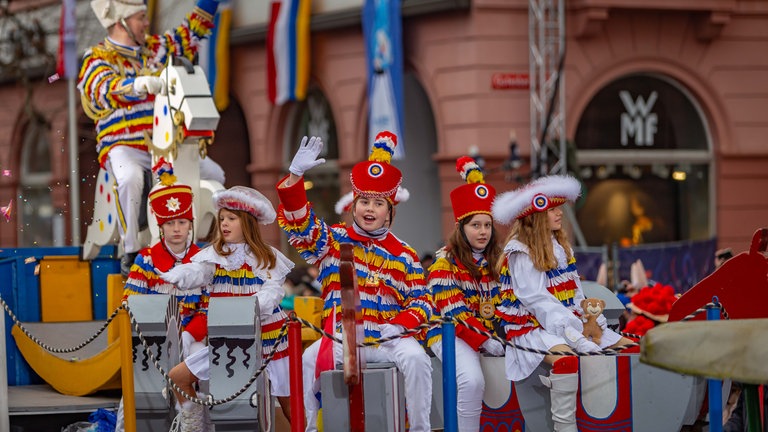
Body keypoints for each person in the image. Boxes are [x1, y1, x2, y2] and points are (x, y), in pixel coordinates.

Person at [276, 132, 433, 432]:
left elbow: (422, 302)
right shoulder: (333, 241)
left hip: (390, 338)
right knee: (309, 360)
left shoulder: (405, 254)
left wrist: (399, 325)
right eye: (364, 201)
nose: (370, 209)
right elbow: (301, 225)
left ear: (390, 211)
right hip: (341, 339)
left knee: (416, 360)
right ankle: (309, 428)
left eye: (378, 203)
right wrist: (295, 177)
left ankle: (420, 429)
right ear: (353, 205)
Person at [79, 0, 226, 275]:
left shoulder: (157, 49)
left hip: (166, 145)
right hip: (123, 145)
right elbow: (101, 87)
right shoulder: (97, 57)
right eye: (139, 18)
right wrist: (134, 84)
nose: (146, 23)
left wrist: (210, 2)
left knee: (214, 173)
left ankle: (204, 238)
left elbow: (192, 30)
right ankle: (131, 249)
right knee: (130, 178)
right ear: (120, 22)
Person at [492, 175, 634, 432]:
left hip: (564, 321)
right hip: (531, 328)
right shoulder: (520, 252)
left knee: (630, 349)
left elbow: (575, 294)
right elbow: (537, 301)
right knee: (567, 360)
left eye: (559, 208)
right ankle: (565, 427)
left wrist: (593, 323)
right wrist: (573, 332)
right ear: (536, 217)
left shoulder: (560, 246)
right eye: (553, 210)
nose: (559, 214)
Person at [162, 186, 294, 432]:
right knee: (178, 378)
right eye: (222, 218)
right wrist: (178, 274)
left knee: (287, 405)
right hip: (227, 345)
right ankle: (194, 422)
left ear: (247, 223)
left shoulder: (266, 257)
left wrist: (253, 305)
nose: (224, 223)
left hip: (270, 343)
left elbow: (273, 291)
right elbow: (198, 272)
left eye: (231, 218)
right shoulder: (214, 256)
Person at [118, 159, 206, 432]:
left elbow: (209, 306)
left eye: (182, 222)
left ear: (190, 224)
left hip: (194, 337)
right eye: (170, 224)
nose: (177, 229)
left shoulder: (203, 259)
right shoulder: (146, 260)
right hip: (154, 339)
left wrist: (190, 334)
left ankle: (194, 421)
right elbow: (129, 302)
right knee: (138, 385)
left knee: (203, 366)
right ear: (161, 226)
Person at [425, 156, 504, 432]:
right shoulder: (444, 263)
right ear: (461, 227)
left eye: (487, 225)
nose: (483, 231)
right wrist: (485, 341)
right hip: (447, 333)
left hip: (484, 334)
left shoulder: (498, 261)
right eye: (475, 225)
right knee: (472, 380)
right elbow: (454, 314)